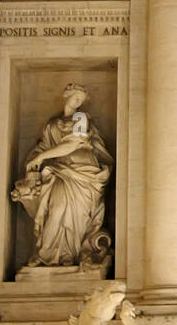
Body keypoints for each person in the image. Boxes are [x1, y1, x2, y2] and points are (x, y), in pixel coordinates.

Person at [15, 84, 113, 266]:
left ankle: (69, 256)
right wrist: (32, 163)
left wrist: (42, 157)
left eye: (81, 101)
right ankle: (48, 254)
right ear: (66, 96)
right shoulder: (52, 124)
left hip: (82, 171)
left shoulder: (80, 118)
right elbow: (43, 146)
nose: (78, 103)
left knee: (76, 216)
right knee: (57, 209)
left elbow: (72, 145)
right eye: (76, 98)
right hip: (60, 171)